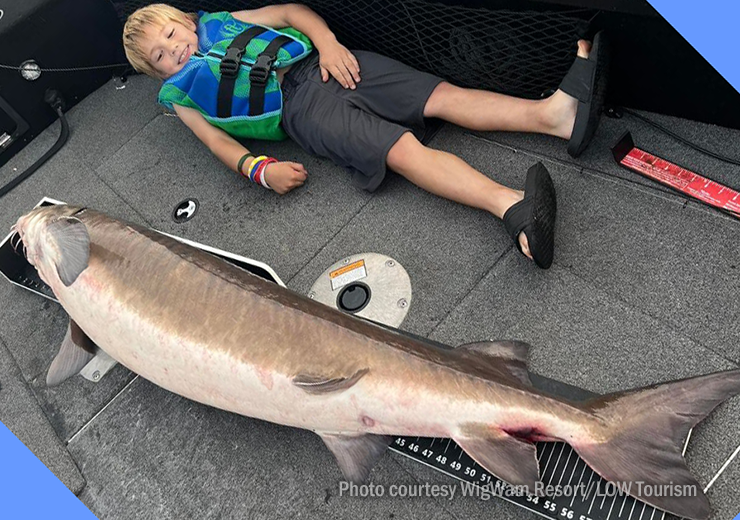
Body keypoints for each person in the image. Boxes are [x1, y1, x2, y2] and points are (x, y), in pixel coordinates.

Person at [122, 3, 608, 269]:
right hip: (304, 113)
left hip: (333, 65)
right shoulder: (181, 97)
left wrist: (330, 43)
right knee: (402, 151)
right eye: (161, 58)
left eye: (169, 35)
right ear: (157, 76)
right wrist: (259, 170)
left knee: (440, 96)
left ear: (185, 20)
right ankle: (511, 206)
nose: (174, 51)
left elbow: (293, 13)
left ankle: (553, 116)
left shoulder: (224, 21)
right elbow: (216, 142)